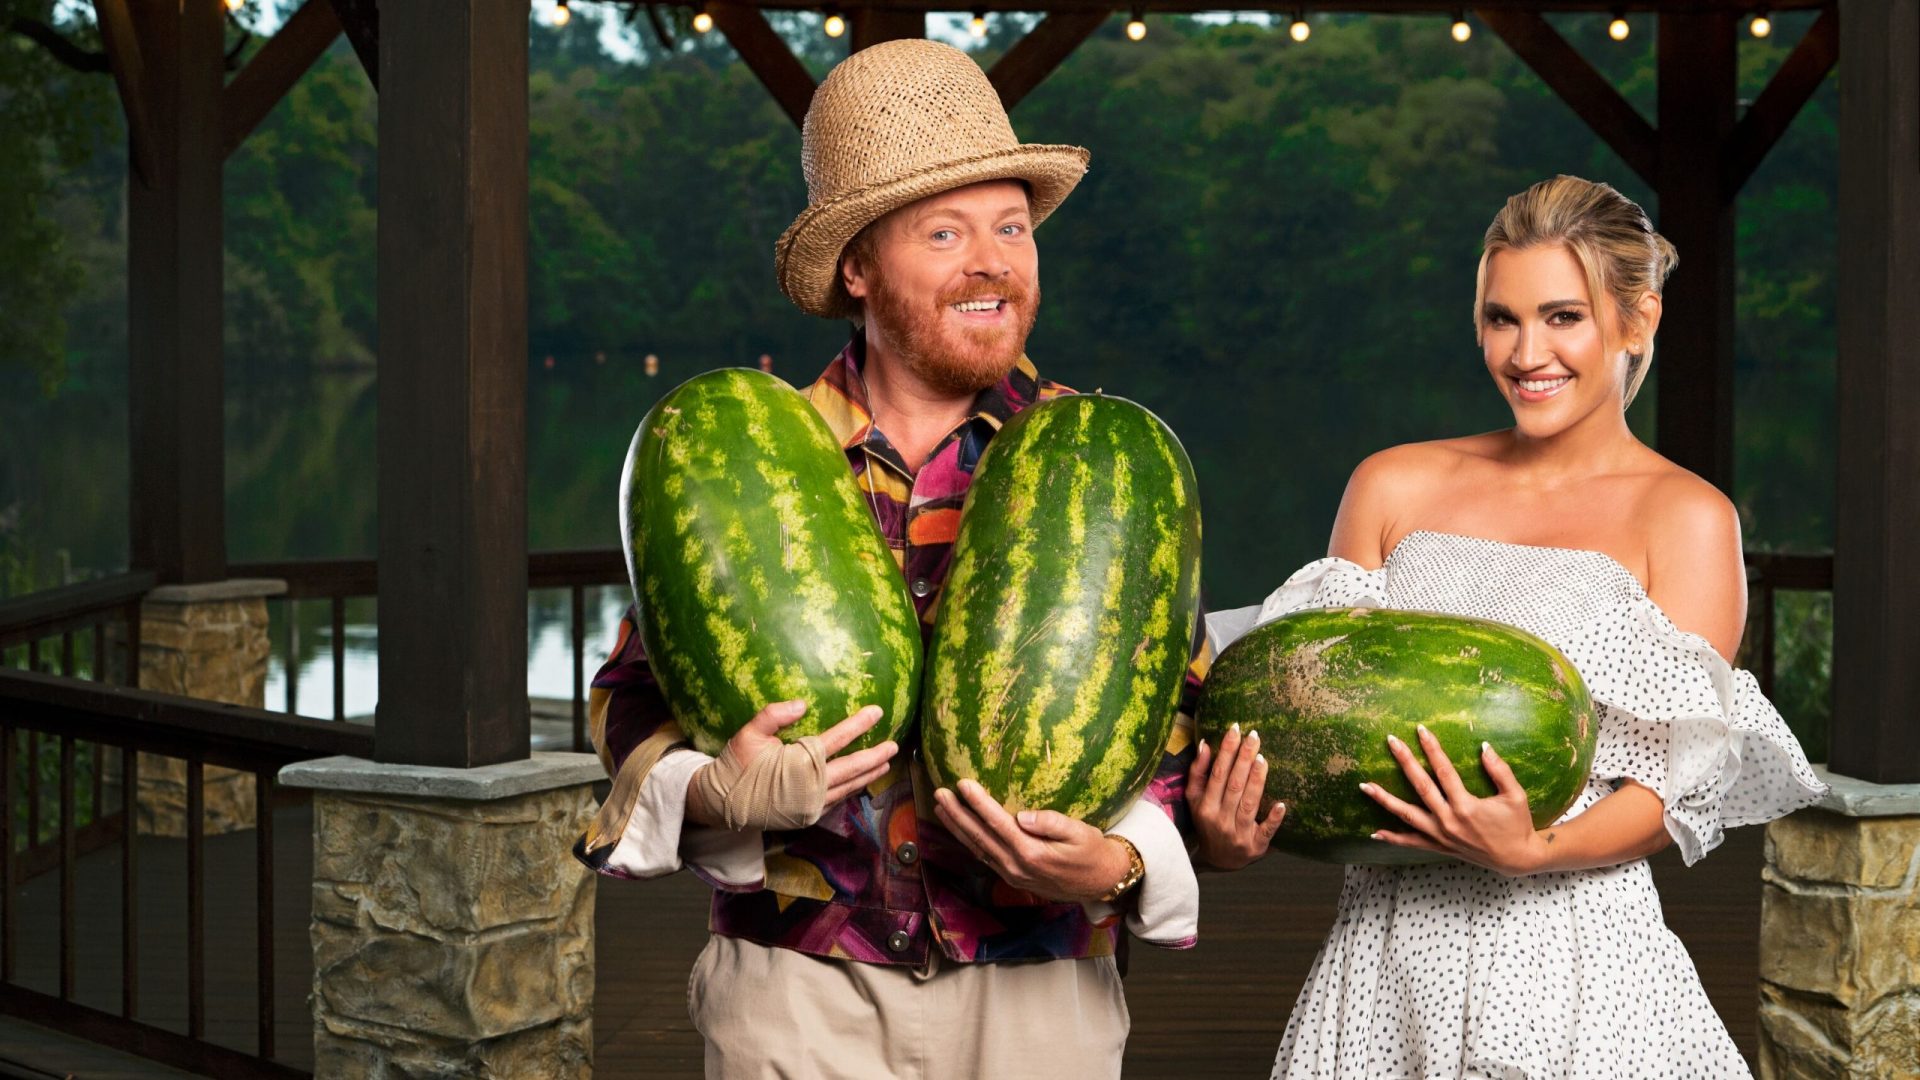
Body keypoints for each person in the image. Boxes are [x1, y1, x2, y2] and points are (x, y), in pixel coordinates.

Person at [574, 39, 1205, 1078]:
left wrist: (1128, 857)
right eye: (946, 232)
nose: (993, 261)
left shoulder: (1108, 460)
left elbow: (1175, 709)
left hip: (1037, 990)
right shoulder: (747, 450)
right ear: (857, 265)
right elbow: (628, 700)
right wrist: (717, 793)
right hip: (799, 989)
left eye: (1013, 227)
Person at [1191, 175, 1826, 1078]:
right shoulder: (1391, 486)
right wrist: (1232, 830)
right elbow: (1310, 708)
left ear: (1636, 321)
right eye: (1502, 319)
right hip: (1384, 962)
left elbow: (1668, 784)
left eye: (1563, 317)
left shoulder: (1685, 517)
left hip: (1574, 968)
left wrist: (1539, 849)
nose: (1528, 352)